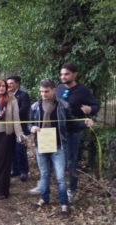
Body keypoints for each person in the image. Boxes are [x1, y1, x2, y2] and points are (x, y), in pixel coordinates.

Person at [29, 79, 94, 215]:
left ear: (53, 90)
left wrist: (84, 122)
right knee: (44, 174)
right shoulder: (35, 106)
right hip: (41, 145)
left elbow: (71, 123)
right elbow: (28, 124)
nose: (43, 94)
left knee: (60, 177)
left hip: (58, 146)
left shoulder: (63, 105)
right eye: (41, 91)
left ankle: (64, 203)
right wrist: (32, 128)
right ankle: (44, 198)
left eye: (46, 91)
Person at [55, 63, 99, 202]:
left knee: (71, 161)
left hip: (73, 131)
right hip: (57, 130)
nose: (63, 76)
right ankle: (52, 186)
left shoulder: (83, 90)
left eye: (66, 74)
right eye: (61, 74)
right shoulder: (59, 88)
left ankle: (71, 189)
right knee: (54, 158)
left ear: (75, 74)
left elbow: (96, 106)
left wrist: (90, 110)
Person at [7, 75, 31, 182]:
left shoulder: (23, 95)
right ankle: (14, 169)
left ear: (17, 83)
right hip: (9, 127)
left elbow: (24, 109)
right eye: (8, 83)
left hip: (20, 127)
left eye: (11, 83)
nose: (9, 85)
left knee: (21, 149)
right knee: (11, 149)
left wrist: (11, 115)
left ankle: (24, 171)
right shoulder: (6, 95)